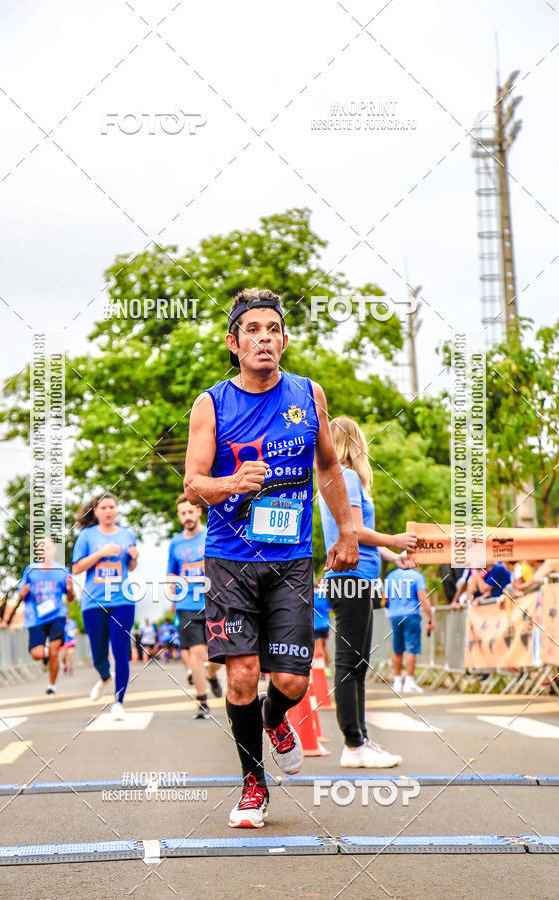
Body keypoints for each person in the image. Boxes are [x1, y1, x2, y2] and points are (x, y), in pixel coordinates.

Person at [184, 287, 359, 828]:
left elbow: (328, 467)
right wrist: (231, 483)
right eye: (252, 330)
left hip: (289, 561)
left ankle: (275, 718)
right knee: (241, 674)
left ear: (283, 339)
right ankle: (253, 785)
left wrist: (348, 526)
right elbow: (192, 484)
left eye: (272, 329)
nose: (263, 338)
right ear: (234, 343)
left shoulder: (308, 395)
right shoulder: (211, 403)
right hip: (231, 558)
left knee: (291, 682)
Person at [318, 415, 417, 768]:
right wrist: (394, 540)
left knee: (356, 662)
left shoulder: (334, 480)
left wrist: (393, 555)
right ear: (354, 442)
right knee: (350, 663)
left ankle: (359, 739)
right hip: (353, 578)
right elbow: (356, 531)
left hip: (354, 577)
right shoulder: (347, 477)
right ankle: (354, 743)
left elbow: (359, 532)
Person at [71, 492, 139, 720]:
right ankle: (104, 677)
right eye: (103, 508)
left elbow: (129, 567)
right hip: (94, 601)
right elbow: (77, 568)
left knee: (121, 651)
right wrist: (101, 553)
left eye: (112, 507)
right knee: (98, 652)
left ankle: (119, 701)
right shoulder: (87, 536)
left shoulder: (127, 534)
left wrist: (134, 557)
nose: (108, 511)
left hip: (122, 600)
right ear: (96, 512)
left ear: (116, 510)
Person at [167, 494, 223, 719]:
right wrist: (171, 588)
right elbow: (171, 571)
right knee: (197, 652)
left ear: (199, 511)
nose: (187, 516)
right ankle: (202, 700)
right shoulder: (175, 542)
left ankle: (212, 674)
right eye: (183, 513)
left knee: (219, 655)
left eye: (190, 512)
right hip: (187, 603)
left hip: (214, 601)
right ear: (179, 516)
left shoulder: (213, 534)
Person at [1, 539, 74, 695]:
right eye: (40, 548)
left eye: (47, 548)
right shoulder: (30, 570)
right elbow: (20, 593)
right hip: (35, 617)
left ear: (54, 550)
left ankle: (52, 686)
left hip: (57, 615)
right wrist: (23, 592)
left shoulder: (63, 570)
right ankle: (46, 655)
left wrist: (70, 589)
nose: (44, 551)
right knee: (37, 654)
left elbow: (71, 597)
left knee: (55, 651)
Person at [384, 564, 434, 694]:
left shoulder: (390, 576)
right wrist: (430, 617)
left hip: (394, 615)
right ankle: (409, 681)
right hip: (411, 614)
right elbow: (422, 597)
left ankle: (397, 681)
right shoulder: (416, 576)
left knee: (397, 648)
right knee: (411, 648)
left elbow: (385, 598)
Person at [313, 578, 331, 672]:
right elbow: (331, 608)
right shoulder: (325, 596)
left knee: (318, 646)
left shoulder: (313, 595)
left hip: (316, 624)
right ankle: (327, 667)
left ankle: (320, 668)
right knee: (324, 646)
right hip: (326, 624)